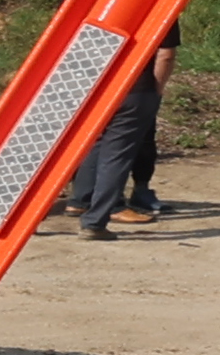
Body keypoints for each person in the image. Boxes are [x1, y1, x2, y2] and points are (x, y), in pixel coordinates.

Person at [71, 41, 169, 239]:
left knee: (95, 143)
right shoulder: (161, 12)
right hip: (135, 90)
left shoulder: (95, 9)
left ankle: (79, 201)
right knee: (117, 156)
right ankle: (95, 222)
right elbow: (165, 55)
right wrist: (156, 91)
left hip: (95, 86)